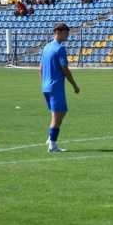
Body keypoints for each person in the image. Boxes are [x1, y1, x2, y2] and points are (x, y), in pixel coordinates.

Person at [40, 23, 80, 152]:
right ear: (58, 32)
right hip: (55, 87)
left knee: (60, 112)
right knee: (57, 117)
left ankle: (50, 138)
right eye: (66, 33)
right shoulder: (60, 49)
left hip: (46, 87)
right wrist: (74, 85)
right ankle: (52, 145)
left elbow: (40, 68)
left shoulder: (46, 47)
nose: (68, 35)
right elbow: (65, 70)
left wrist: (44, 82)